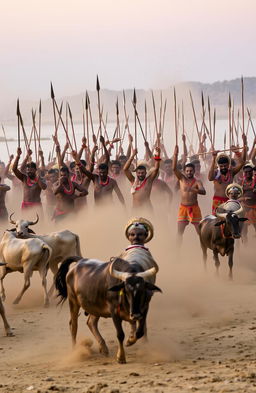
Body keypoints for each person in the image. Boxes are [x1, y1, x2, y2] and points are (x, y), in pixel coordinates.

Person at [173, 145, 206, 238]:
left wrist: (193, 189)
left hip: (194, 208)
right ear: (184, 171)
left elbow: (203, 191)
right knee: (179, 233)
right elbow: (174, 169)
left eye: (191, 171)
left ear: (194, 171)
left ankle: (203, 251)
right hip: (183, 208)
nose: (189, 173)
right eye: (187, 171)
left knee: (200, 233)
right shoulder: (181, 179)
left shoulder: (197, 182)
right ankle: (177, 251)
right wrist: (175, 155)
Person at [208, 135, 247, 215]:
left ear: (228, 164)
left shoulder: (231, 172)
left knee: (232, 221)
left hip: (230, 200)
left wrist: (236, 152)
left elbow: (242, 163)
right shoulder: (216, 173)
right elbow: (210, 178)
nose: (223, 168)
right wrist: (214, 158)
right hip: (217, 201)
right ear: (219, 166)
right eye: (221, 166)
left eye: (225, 166)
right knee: (217, 222)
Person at [123, 147, 161, 211]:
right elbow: (125, 169)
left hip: (147, 209)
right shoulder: (133, 180)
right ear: (136, 173)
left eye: (142, 173)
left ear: (146, 173)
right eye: (139, 173)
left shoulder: (149, 180)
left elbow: (156, 169)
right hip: (135, 210)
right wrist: (132, 155)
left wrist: (158, 155)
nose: (140, 174)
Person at [12, 148, 47, 214]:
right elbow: (14, 169)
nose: (29, 171)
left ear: (35, 170)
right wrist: (18, 155)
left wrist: (38, 177)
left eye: (31, 170)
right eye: (28, 170)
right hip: (25, 205)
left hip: (36, 206)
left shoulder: (40, 178)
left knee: (39, 224)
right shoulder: (24, 178)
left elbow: (44, 187)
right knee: (24, 224)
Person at [240, 164, 256, 240]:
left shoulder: (255, 181)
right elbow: (237, 197)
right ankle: (245, 244)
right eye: (246, 172)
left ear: (253, 172)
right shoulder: (241, 183)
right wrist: (243, 198)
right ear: (243, 173)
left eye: (250, 172)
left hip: (254, 207)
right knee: (244, 228)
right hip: (245, 207)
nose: (248, 173)